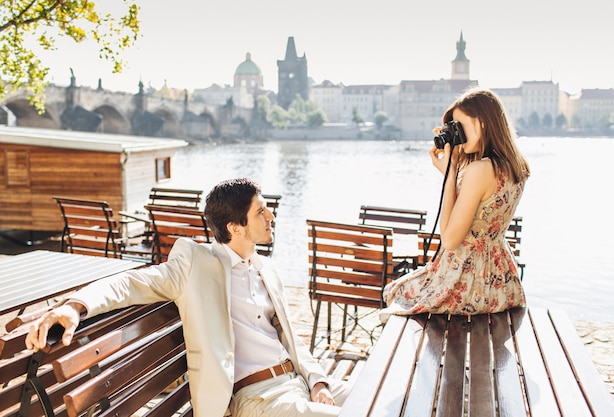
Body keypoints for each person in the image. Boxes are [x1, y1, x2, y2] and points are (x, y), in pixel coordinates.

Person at [26, 178, 350, 417]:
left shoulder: (267, 268)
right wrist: (73, 307)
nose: (271, 217)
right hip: (258, 400)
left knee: (396, 400)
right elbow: (131, 282)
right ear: (235, 227)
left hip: (300, 381)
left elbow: (294, 341)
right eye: (261, 212)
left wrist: (318, 382)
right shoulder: (196, 263)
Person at [382, 88, 530, 318]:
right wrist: (456, 168)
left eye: (460, 126)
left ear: (481, 123)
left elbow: (450, 239)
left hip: (468, 282)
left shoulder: (479, 170)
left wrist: (451, 174)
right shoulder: (514, 165)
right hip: (502, 282)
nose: (457, 135)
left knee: (394, 291)